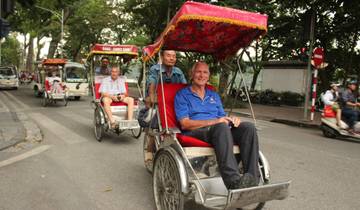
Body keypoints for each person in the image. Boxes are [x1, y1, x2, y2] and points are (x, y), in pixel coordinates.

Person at [174, 61, 260, 189]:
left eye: (205, 72)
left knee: (248, 128)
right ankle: (233, 181)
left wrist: (232, 120)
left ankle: (252, 178)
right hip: (197, 130)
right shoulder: (182, 95)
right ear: (192, 74)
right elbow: (185, 124)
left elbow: (221, 117)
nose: (201, 75)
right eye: (198, 72)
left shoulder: (213, 95)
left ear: (208, 76)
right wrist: (216, 122)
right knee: (221, 127)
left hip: (219, 130)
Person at [143, 50, 187, 162]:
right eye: (168, 55)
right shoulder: (155, 69)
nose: (172, 58)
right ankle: (149, 148)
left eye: (174, 56)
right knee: (156, 118)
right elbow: (152, 83)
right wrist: (152, 96)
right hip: (159, 100)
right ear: (162, 57)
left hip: (175, 102)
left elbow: (185, 86)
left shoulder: (178, 72)